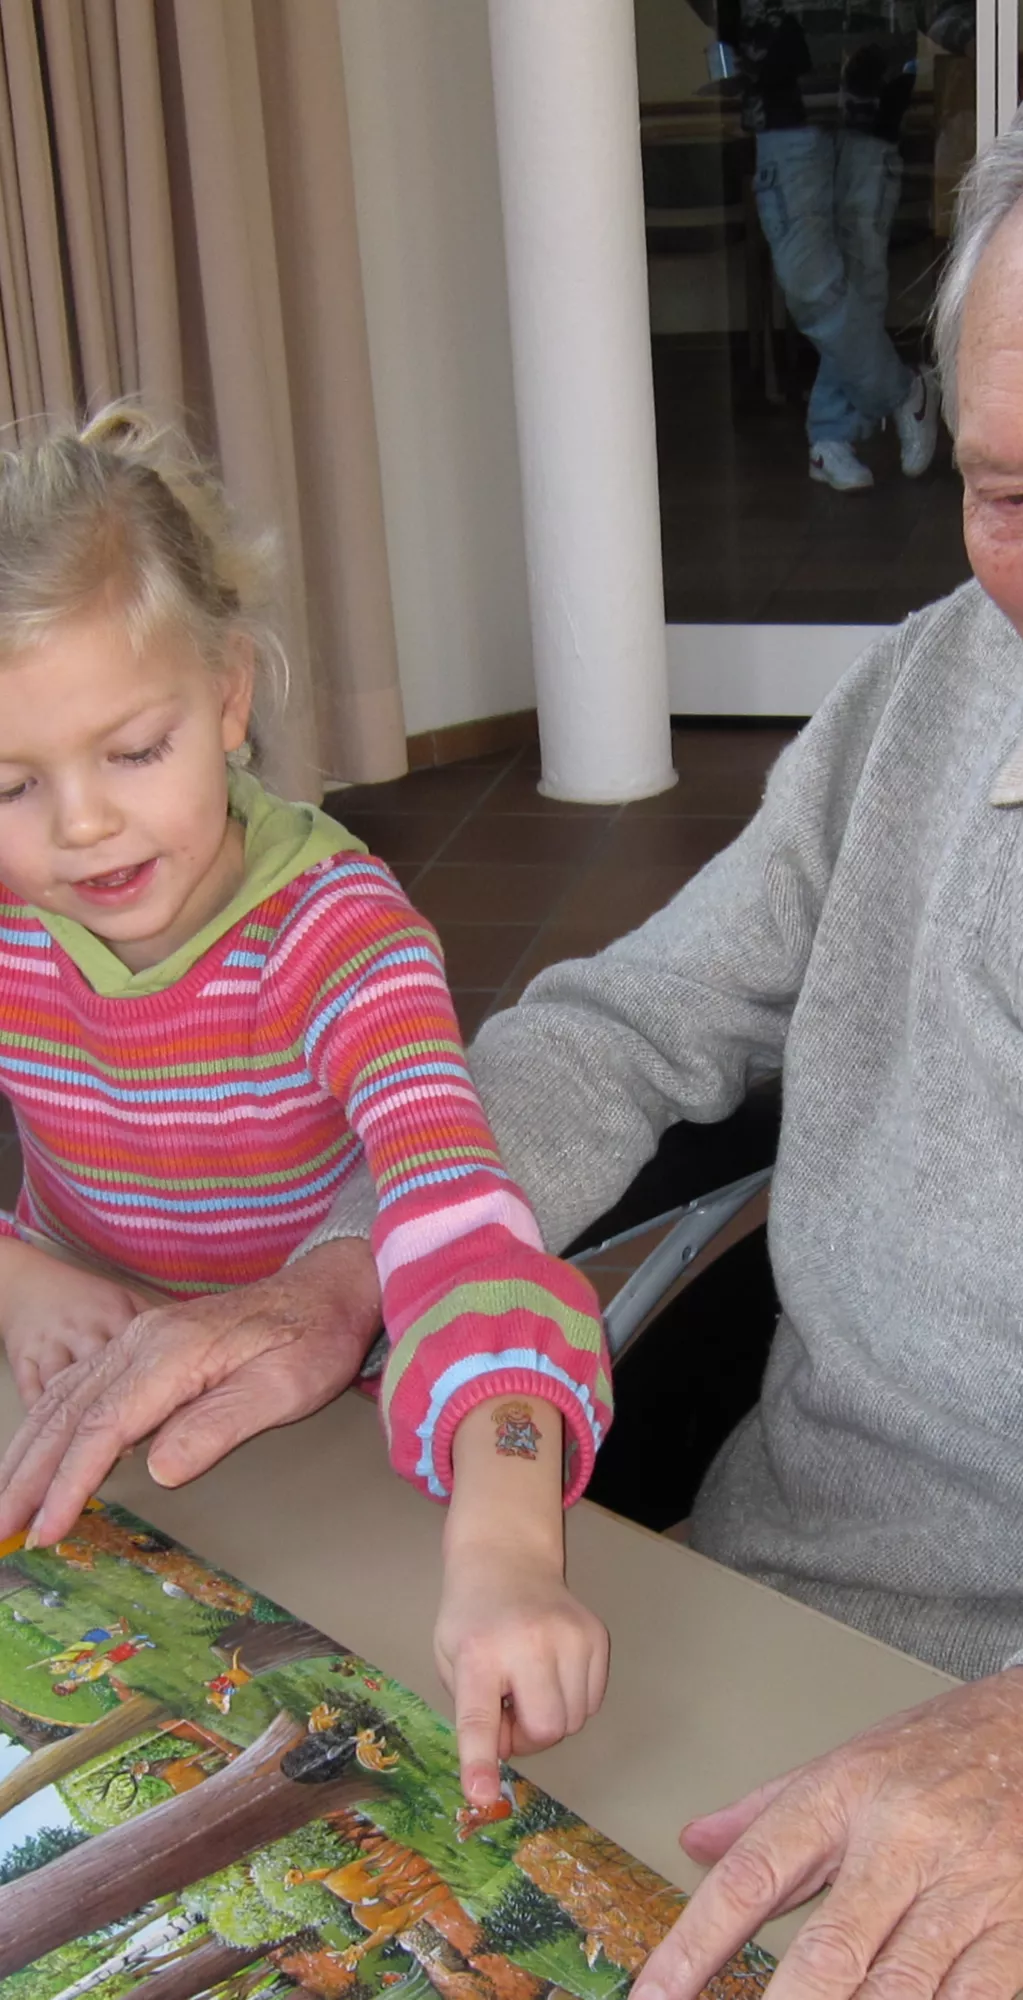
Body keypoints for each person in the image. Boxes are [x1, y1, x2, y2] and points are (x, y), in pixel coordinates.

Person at [10, 34, 1023, 1998]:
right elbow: (627, 1020)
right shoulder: (930, 689)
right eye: (1013, 486)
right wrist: (358, 1260)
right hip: (742, 1630)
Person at [0, 410, 611, 1808]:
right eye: (13, 784)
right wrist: (19, 1273)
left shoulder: (342, 938)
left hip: (330, 1425)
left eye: (133, 749)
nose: (82, 825)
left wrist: (508, 1544)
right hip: (79, 1397)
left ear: (227, 697)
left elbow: (463, 1228)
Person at [686, 1, 953, 491]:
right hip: (786, 94)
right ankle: (904, 390)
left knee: (862, 271)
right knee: (809, 281)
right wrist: (746, 27)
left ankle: (831, 438)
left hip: (875, 82)